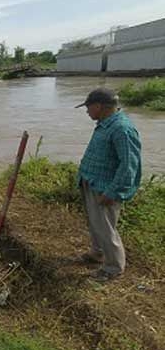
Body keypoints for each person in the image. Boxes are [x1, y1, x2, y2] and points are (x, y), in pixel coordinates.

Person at [75, 87, 142, 282]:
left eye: (88, 107)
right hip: (92, 182)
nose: (87, 111)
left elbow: (130, 164)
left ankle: (113, 268)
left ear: (98, 106)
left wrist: (114, 191)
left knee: (105, 228)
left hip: (105, 188)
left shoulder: (122, 129)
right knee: (95, 224)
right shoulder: (106, 123)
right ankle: (97, 254)